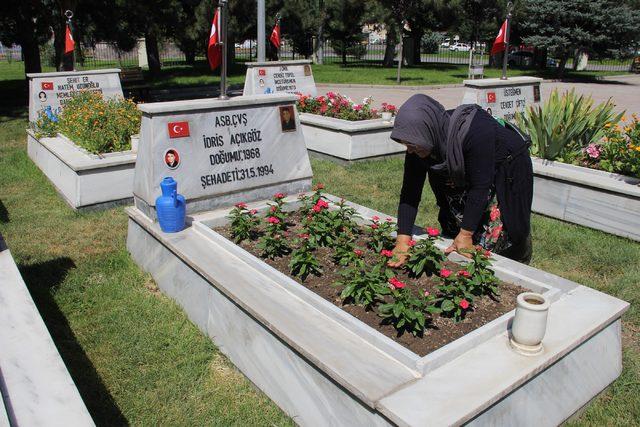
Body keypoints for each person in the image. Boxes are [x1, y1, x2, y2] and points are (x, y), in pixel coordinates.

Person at [389, 94, 533, 266]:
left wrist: (465, 234)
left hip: (506, 166)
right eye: (406, 145)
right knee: (455, 220)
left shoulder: (476, 131)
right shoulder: (419, 139)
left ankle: (513, 260)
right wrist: (402, 241)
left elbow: (480, 186)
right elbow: (410, 191)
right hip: (470, 172)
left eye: (412, 146)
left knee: (500, 231)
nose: (410, 151)